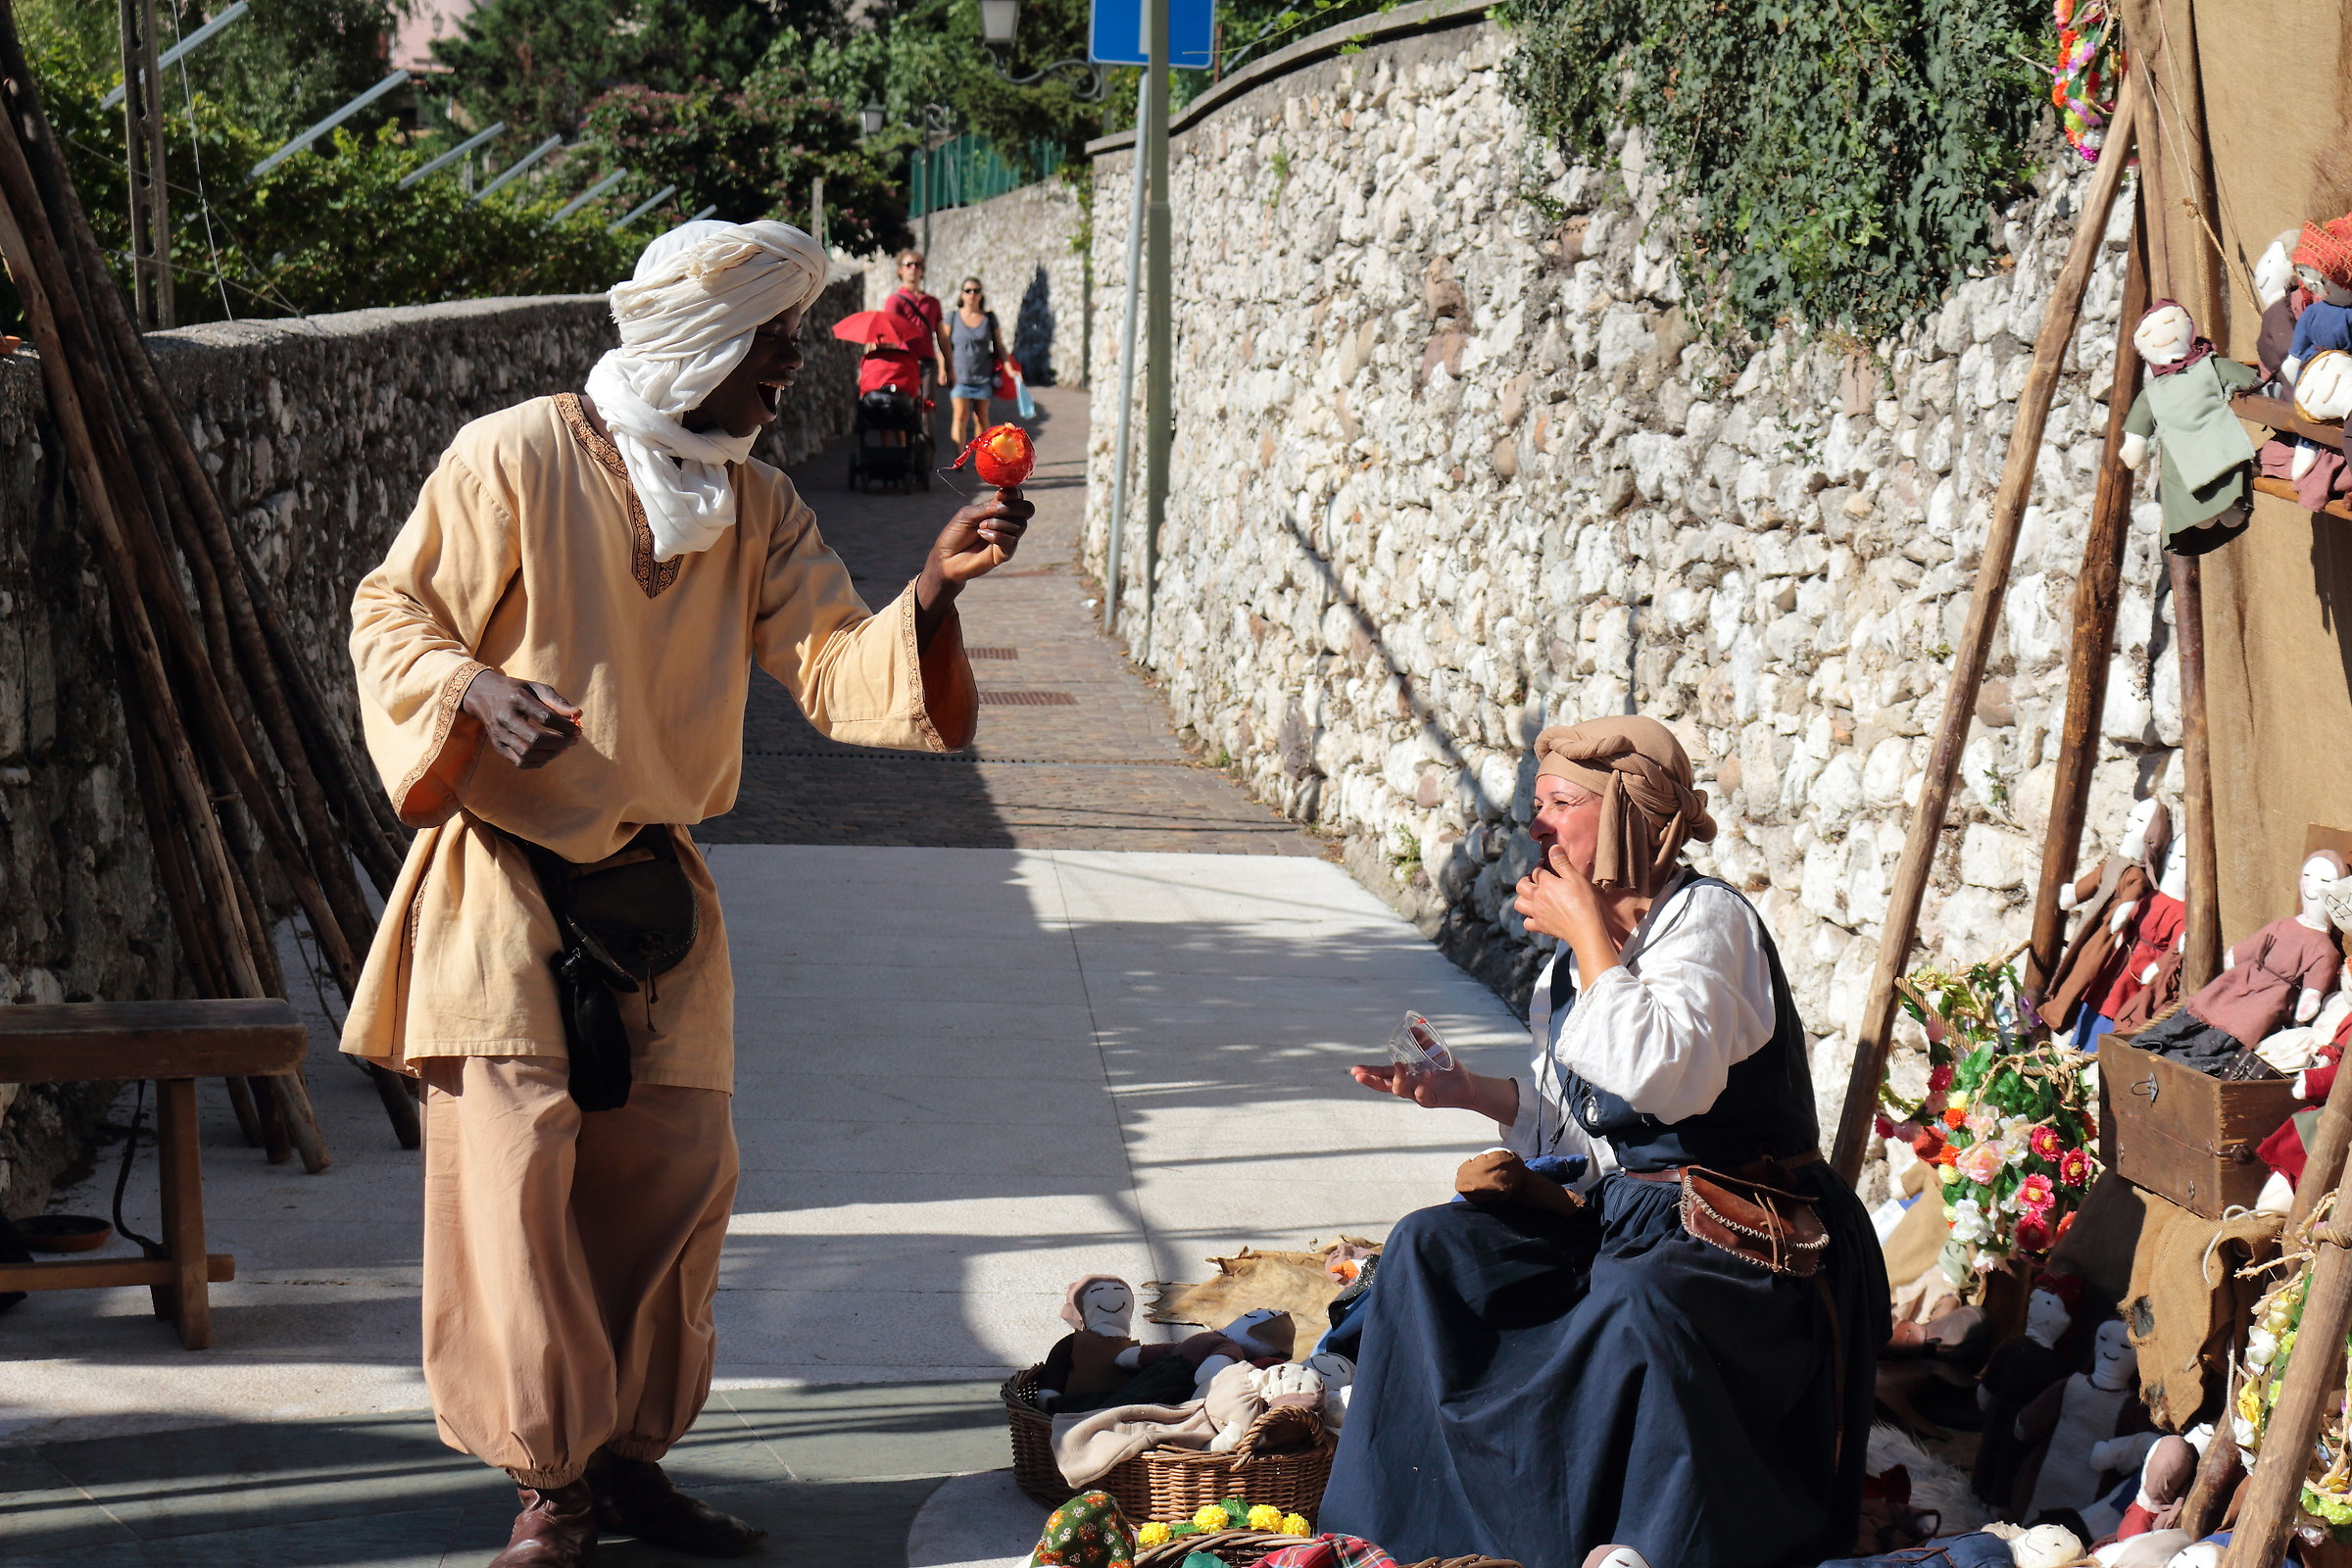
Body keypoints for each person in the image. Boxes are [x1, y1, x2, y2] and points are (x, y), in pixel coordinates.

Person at [341, 219, 1030, 1568]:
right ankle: (550, 1486)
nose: (788, 373)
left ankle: (628, 1460)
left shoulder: (756, 505)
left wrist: (934, 590)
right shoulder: (517, 456)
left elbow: (837, 669)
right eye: (773, 347)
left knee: (675, 1188)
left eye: (787, 344)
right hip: (501, 886)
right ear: (698, 344)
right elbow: (390, 613)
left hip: (656, 893)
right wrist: (473, 690)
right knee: (518, 1182)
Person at [1322, 715, 1887, 1568]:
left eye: (1559, 803)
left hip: (1747, 1227)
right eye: (1537, 803)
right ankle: (1409, 1531)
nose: (1536, 826)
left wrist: (1590, 936)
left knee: (1630, 1309)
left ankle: (1628, 1544)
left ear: (1627, 815)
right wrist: (1469, 1093)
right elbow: (1588, 1140)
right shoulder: (1572, 966)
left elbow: (1669, 1081)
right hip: (1629, 1215)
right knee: (1433, 1251)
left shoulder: (1708, 923)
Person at [948, 276, 1009, 446]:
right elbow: (944, 345)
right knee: (960, 415)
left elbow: (999, 346)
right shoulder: (952, 317)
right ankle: (958, 459)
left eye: (976, 291)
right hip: (959, 375)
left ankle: (981, 458)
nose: (972, 294)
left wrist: (1010, 368)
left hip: (983, 376)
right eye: (968, 291)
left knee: (981, 417)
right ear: (962, 295)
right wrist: (943, 369)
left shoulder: (989, 318)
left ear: (981, 295)